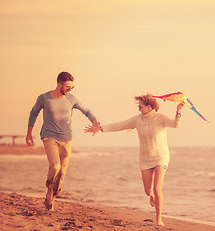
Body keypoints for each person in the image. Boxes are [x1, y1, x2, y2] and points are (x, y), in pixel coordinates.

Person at [84, 94, 184, 226]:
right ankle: (152, 195)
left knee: (157, 187)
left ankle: (159, 218)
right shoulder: (137, 120)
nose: (138, 109)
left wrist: (178, 112)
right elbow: (120, 125)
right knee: (148, 191)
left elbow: (175, 125)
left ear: (149, 107)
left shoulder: (160, 118)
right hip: (145, 158)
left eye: (140, 106)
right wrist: (101, 128)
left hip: (161, 156)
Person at [26, 71, 99, 211]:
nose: (70, 89)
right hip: (49, 136)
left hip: (67, 139)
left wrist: (94, 121)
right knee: (55, 166)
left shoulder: (71, 98)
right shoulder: (44, 98)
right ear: (59, 84)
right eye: (67, 87)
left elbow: (87, 111)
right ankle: (49, 191)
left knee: (62, 172)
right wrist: (29, 133)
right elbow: (33, 113)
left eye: (71, 87)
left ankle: (52, 199)